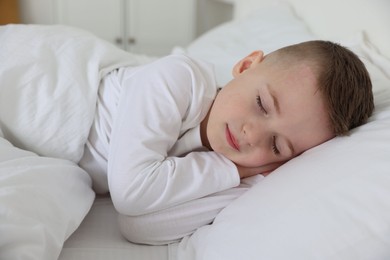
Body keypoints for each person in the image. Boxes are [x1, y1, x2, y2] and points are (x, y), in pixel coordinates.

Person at [78, 40, 374, 245]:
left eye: (276, 146)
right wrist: (237, 171)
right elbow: (131, 195)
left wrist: (250, 180)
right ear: (246, 65)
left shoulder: (230, 165)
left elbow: (139, 227)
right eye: (262, 104)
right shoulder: (179, 79)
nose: (253, 134)